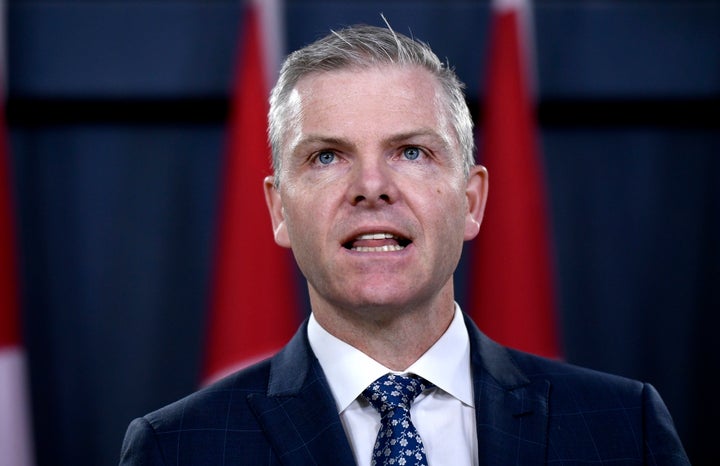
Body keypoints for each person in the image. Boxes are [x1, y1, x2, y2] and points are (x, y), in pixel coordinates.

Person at [119, 25, 689, 465]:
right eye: (326, 156)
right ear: (278, 211)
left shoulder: (621, 426)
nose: (371, 188)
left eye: (411, 152)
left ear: (471, 201)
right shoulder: (177, 448)